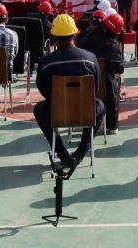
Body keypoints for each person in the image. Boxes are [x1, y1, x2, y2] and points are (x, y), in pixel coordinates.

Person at [33, 14, 104, 174]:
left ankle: (62, 154)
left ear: (54, 38)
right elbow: (96, 89)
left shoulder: (45, 62)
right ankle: (81, 153)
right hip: (86, 112)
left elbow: (44, 91)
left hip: (56, 112)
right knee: (100, 106)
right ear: (74, 35)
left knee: (39, 109)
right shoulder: (90, 58)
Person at [96, 13, 125, 134]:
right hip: (105, 90)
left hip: (84, 89)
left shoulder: (87, 39)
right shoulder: (114, 47)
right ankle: (112, 126)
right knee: (115, 81)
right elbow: (120, 69)